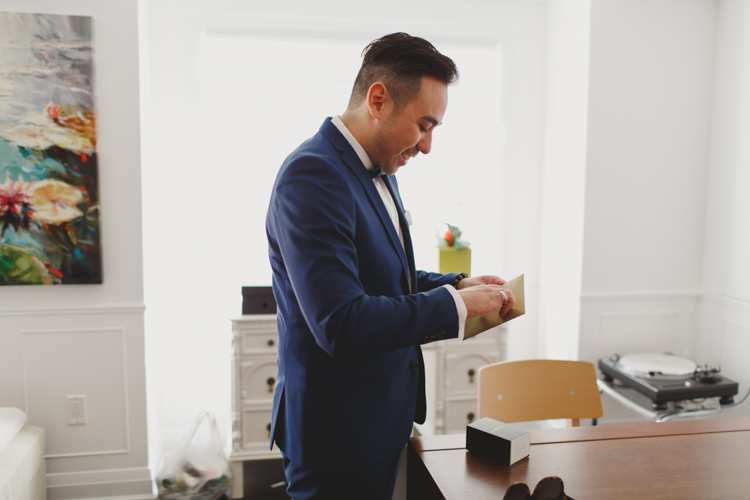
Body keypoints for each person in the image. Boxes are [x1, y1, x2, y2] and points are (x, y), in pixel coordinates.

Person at [265, 32, 515, 500]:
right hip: (337, 435)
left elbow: (384, 277)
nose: (426, 146)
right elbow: (340, 321)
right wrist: (454, 306)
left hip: (379, 420)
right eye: (424, 125)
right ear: (378, 99)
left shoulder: (378, 169)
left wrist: (456, 282)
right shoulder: (313, 176)